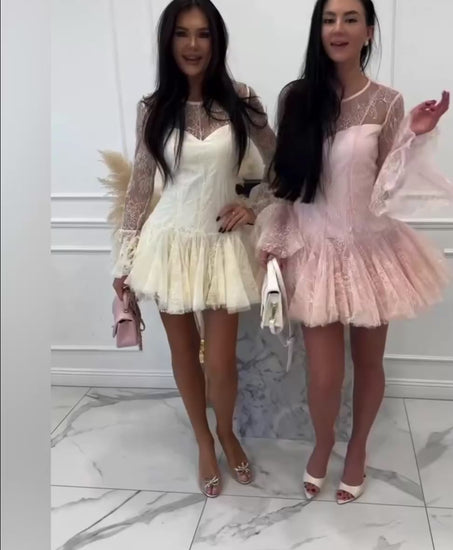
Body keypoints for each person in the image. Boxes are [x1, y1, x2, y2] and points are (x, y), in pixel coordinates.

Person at [255, 0, 453, 505]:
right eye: (328, 19)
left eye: (350, 19)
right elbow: (286, 179)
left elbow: (389, 185)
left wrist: (413, 138)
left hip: (371, 249)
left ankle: (358, 447)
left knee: (369, 363)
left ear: (368, 31)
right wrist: (274, 239)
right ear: (318, 30)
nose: (338, 28)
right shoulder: (297, 98)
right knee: (324, 376)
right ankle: (323, 443)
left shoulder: (387, 101)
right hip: (315, 250)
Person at [112, 0, 276, 498]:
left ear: (216, 40)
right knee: (184, 353)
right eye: (182, 34)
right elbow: (141, 187)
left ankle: (227, 432)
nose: (192, 45)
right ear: (168, 41)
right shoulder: (152, 107)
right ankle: (204, 441)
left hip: (222, 245)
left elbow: (282, 164)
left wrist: (254, 206)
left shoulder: (241, 99)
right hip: (168, 244)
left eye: (203, 34)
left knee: (221, 361)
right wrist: (124, 260)